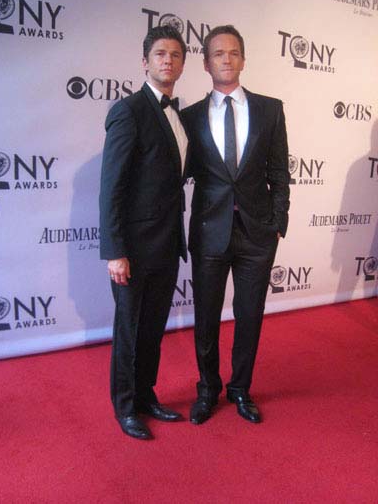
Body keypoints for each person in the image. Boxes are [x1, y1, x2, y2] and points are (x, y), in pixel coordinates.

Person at [182, 25, 290, 425]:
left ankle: (241, 388)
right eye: (218, 54)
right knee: (206, 317)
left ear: (243, 59)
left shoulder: (270, 109)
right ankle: (208, 388)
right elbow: (178, 173)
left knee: (250, 315)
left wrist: (279, 220)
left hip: (257, 234)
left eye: (233, 53)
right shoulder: (189, 116)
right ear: (206, 62)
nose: (226, 60)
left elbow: (280, 170)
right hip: (209, 231)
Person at [99, 25, 189, 440]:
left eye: (174, 54)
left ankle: (146, 394)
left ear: (183, 64)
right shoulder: (128, 111)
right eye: (159, 54)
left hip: (167, 243)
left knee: (152, 327)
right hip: (133, 248)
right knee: (129, 329)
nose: (167, 60)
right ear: (145, 62)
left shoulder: (179, 115)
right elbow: (111, 187)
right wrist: (115, 251)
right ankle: (124, 406)